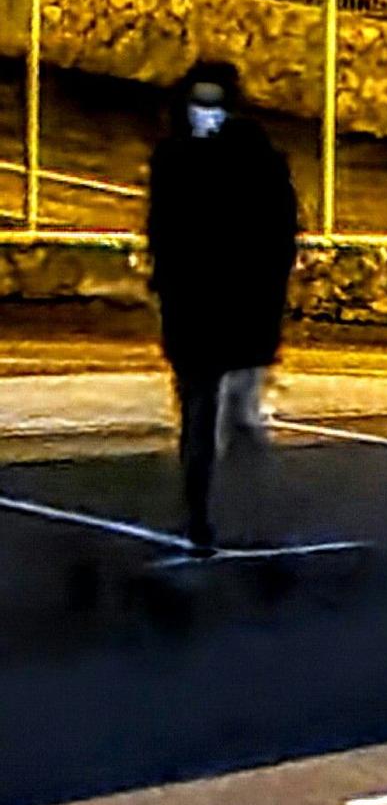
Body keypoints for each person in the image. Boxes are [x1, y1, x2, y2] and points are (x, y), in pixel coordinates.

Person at [147, 60, 299, 550]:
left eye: (214, 103)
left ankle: (252, 514)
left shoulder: (256, 158)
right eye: (199, 101)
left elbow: (280, 235)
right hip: (194, 307)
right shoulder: (172, 158)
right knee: (198, 414)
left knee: (238, 415)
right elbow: (162, 233)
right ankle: (200, 515)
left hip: (241, 306)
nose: (205, 113)